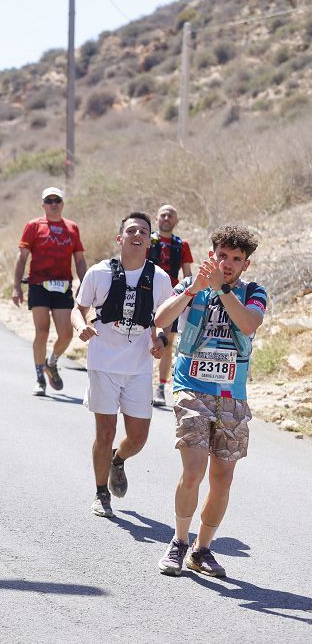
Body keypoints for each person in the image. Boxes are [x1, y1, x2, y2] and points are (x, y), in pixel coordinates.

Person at [154, 226, 266, 578]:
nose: (228, 263)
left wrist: (223, 289)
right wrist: (194, 290)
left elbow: (248, 324)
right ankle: (178, 542)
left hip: (232, 396)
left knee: (222, 479)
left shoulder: (252, 291)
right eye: (223, 256)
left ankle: (202, 549)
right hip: (191, 389)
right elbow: (160, 319)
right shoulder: (191, 284)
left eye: (236, 259)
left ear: (245, 265)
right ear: (212, 255)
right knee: (193, 470)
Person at [73, 212, 173, 518]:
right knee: (105, 430)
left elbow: (166, 319)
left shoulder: (159, 278)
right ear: (121, 238)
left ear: (149, 240)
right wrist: (80, 327)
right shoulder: (99, 272)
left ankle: (117, 459)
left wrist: (161, 341)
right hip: (103, 361)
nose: (138, 234)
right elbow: (79, 308)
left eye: (144, 231)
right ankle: (101, 493)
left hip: (139, 366)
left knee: (139, 436)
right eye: (131, 230)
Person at [12, 187, 87, 395]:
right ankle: (39, 378)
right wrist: (16, 286)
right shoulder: (34, 226)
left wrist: (86, 284)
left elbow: (79, 260)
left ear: (62, 203)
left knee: (66, 334)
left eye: (57, 200)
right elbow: (22, 257)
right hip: (38, 284)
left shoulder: (72, 228)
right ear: (43, 204)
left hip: (62, 286)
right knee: (42, 331)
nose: (53, 203)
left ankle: (51, 363)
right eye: (49, 200)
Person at [147, 204, 194, 407]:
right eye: (163, 215)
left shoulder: (182, 245)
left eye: (170, 215)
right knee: (144, 340)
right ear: (156, 218)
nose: (166, 218)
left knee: (166, 343)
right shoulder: (147, 240)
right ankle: (142, 384)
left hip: (172, 299)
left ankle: (160, 388)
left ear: (176, 221)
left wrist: (189, 296)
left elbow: (188, 274)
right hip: (147, 294)